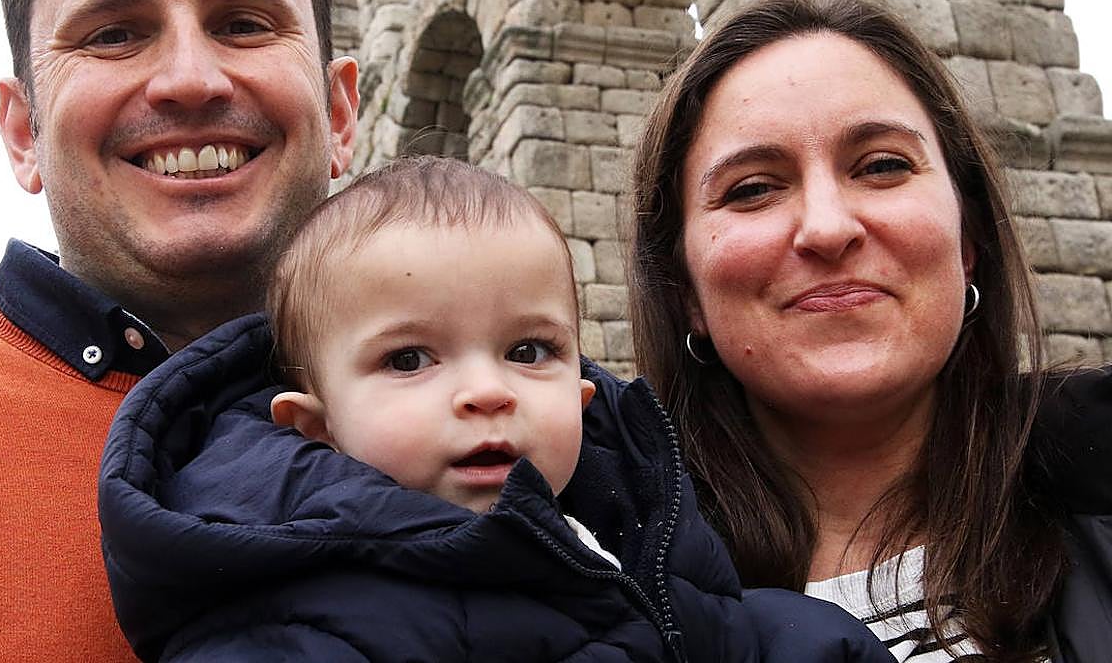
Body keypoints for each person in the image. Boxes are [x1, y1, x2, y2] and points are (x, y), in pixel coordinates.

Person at [99, 156, 893, 663]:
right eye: (409, 359)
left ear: (582, 399)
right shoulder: (286, 618)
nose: (487, 390)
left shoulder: (631, 541)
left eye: (529, 351)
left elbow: (738, 634)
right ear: (317, 427)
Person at [0, 0, 358, 658]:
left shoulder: (534, 421)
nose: (190, 78)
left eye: (244, 23)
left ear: (339, 113)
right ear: (23, 131)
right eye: (113, 34)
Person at [627, 0, 1112, 662]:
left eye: (883, 165)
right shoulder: (576, 585)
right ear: (684, 290)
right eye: (753, 188)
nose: (827, 228)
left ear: (968, 240)